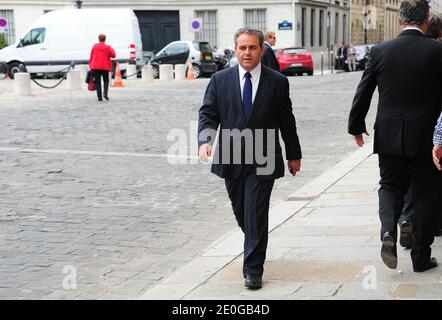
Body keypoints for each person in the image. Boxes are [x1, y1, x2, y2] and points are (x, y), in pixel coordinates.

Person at [198, 28, 302, 289]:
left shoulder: (277, 81)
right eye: (242, 48)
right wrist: (205, 141)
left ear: (261, 50)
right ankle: (254, 240)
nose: (247, 53)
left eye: (252, 48)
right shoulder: (220, 80)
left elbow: (286, 120)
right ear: (236, 49)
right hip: (231, 155)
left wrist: (293, 154)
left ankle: (253, 270)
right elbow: (208, 113)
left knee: (255, 211)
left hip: (264, 156)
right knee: (242, 211)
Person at [348, 0, 442, 272]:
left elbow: (363, 91)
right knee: (425, 191)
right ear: (426, 19)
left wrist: (356, 125)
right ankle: (421, 257)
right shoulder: (437, 52)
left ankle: (388, 232)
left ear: (400, 20)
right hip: (427, 136)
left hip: (389, 133)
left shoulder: (380, 51)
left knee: (389, 185)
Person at [398, 12, 442, 249]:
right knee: (428, 183)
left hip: (404, 129)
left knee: (409, 182)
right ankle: (428, 227)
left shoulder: (407, 50)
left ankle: (407, 219)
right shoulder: (436, 52)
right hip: (432, 127)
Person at [89, 34, 116, 101]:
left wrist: (90, 66)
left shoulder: (94, 47)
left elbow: (91, 57)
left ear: (99, 39)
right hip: (105, 67)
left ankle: (99, 97)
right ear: (105, 39)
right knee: (106, 80)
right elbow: (113, 55)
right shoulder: (108, 47)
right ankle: (105, 94)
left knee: (97, 82)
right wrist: (111, 48)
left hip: (95, 67)